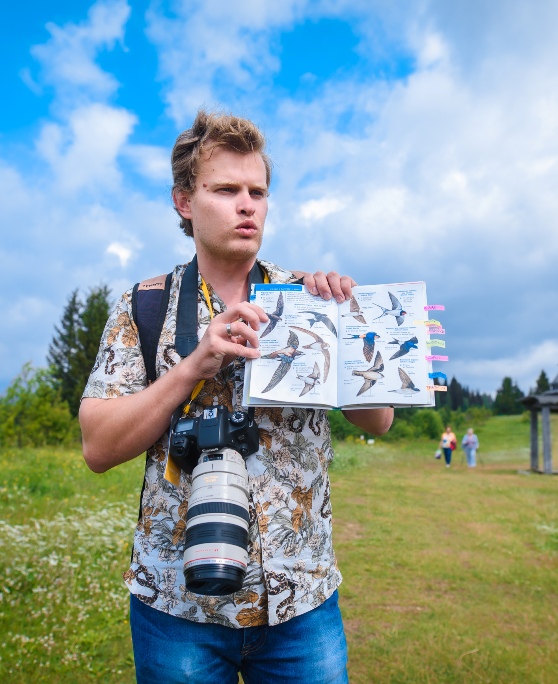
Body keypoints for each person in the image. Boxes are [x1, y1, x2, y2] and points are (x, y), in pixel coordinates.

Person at [79, 110, 394, 684]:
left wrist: (347, 329)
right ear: (183, 201)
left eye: (258, 191)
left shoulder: (309, 300)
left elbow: (379, 421)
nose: (247, 204)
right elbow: (97, 447)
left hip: (300, 602)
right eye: (225, 190)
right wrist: (193, 366)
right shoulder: (143, 307)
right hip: (178, 607)